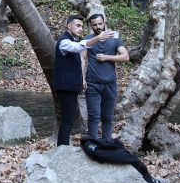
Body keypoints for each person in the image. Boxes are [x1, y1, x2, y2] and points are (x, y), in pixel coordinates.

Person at [53, 15, 114, 146]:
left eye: (82, 26)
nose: (81, 29)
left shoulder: (72, 40)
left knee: (68, 121)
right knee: (67, 121)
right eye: (78, 26)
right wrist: (98, 38)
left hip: (70, 88)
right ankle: (61, 150)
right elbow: (78, 47)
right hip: (65, 88)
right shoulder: (64, 42)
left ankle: (62, 149)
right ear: (69, 26)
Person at [81, 14, 129, 141]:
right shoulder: (89, 39)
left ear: (105, 23)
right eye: (95, 25)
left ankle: (106, 142)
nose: (98, 27)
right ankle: (93, 143)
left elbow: (125, 57)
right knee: (93, 115)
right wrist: (82, 78)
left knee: (107, 116)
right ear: (91, 26)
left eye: (100, 24)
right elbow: (83, 58)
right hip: (92, 83)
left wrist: (107, 57)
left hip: (110, 83)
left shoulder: (114, 38)